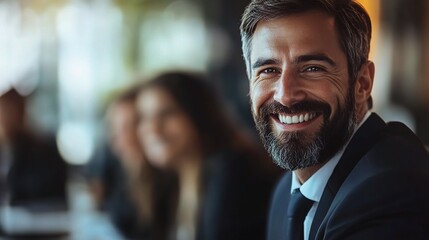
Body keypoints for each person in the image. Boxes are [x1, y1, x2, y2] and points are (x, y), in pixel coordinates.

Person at [240, 0, 429, 239]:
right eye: (268, 70)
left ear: (362, 84)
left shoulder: (391, 188)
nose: (285, 95)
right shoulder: (284, 193)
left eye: (312, 68)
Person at [136, 72, 281, 240]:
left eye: (167, 113)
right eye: (144, 117)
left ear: (197, 114)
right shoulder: (172, 182)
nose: (153, 128)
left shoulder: (232, 171)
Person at [87, 88, 172, 240]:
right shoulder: (127, 172)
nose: (116, 137)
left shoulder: (166, 182)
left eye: (127, 127)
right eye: (115, 128)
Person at [0, 88, 67, 208]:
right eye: (3, 110)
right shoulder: (4, 148)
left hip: (36, 220)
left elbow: (50, 192)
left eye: (12, 110)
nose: (6, 117)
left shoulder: (43, 150)